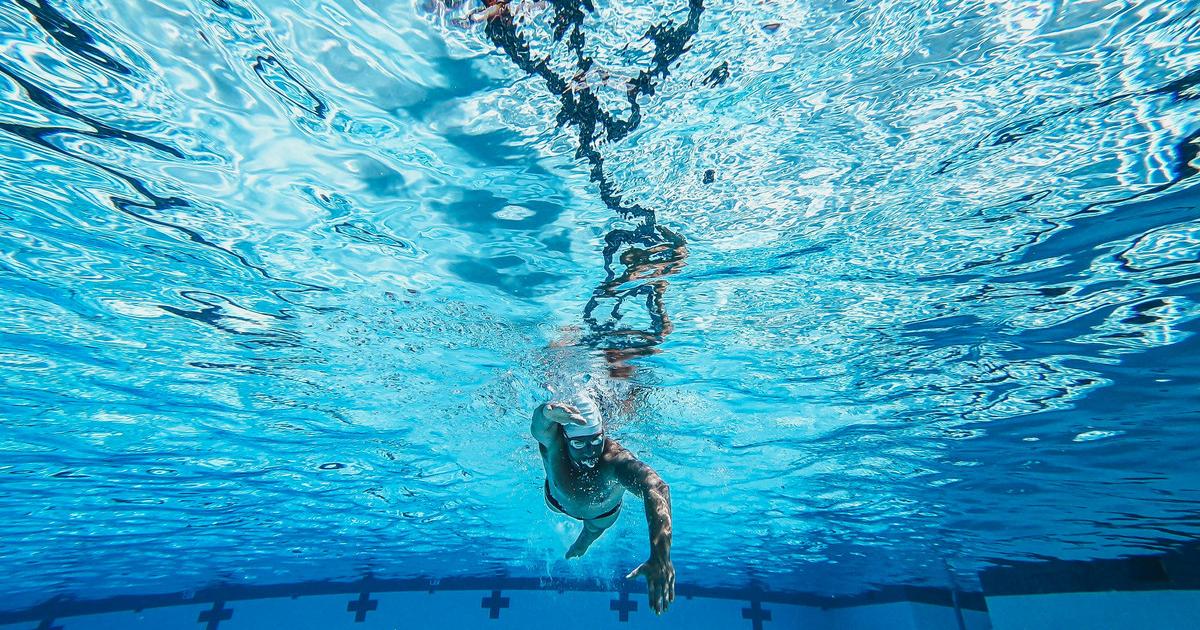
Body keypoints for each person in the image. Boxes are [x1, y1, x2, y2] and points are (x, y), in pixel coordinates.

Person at [531, 393, 675, 614]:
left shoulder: (615, 460)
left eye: (596, 440)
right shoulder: (555, 443)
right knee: (590, 528)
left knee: (593, 529)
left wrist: (660, 555)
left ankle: (583, 542)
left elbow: (657, 488)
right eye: (579, 443)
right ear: (566, 438)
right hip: (556, 501)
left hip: (601, 516)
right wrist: (546, 412)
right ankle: (582, 542)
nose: (590, 450)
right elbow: (539, 427)